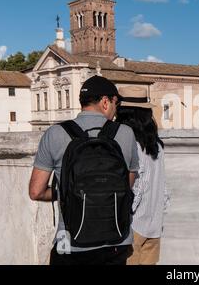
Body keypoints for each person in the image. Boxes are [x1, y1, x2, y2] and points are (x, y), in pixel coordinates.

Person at [29, 76, 140, 265]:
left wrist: (68, 192)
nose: (116, 109)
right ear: (106, 102)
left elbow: (36, 191)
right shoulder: (125, 133)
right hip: (116, 241)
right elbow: (126, 185)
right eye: (116, 103)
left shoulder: (55, 133)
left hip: (70, 244)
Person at [116, 86, 170, 265]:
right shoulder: (157, 145)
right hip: (154, 225)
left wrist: (125, 214)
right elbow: (162, 187)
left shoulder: (128, 143)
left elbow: (138, 186)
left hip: (133, 226)